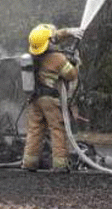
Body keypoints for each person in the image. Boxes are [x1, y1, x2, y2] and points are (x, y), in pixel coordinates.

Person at [21, 23, 83, 172]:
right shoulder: (57, 58)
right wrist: (75, 62)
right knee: (57, 128)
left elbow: (53, 36)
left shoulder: (32, 56)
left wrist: (69, 32)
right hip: (49, 99)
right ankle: (60, 165)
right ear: (47, 43)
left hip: (34, 98)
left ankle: (29, 163)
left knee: (35, 129)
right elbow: (72, 75)